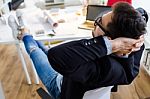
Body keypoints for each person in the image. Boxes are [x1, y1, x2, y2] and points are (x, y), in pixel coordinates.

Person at [8, 2, 148, 99]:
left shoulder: (104, 69)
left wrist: (112, 45)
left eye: (98, 22)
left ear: (110, 39)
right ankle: (26, 33)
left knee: (35, 51)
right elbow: (142, 12)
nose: (96, 21)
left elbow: (56, 56)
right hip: (73, 71)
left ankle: (23, 33)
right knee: (44, 48)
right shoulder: (134, 47)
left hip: (60, 85)